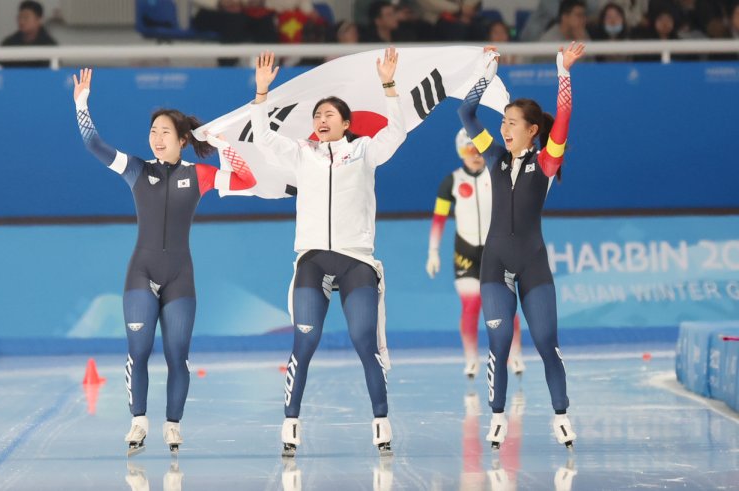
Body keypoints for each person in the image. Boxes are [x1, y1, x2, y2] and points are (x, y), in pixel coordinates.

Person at [71, 68, 257, 456]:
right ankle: (138, 420)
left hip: (180, 278)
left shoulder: (201, 175)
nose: (156, 139)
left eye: (165, 133)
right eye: (153, 132)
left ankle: (173, 425)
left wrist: (221, 145)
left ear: (182, 140)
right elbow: (94, 145)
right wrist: (81, 104)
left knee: (178, 356)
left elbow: (246, 179)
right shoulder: (136, 169)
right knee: (138, 351)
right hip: (141, 273)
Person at [251, 47, 406, 457]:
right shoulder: (302, 155)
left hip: (356, 261)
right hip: (313, 260)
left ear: (346, 124)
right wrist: (262, 94)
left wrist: (389, 86)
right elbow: (264, 139)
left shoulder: (365, 151)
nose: (321, 121)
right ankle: (290, 423)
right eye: (317, 116)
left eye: (329, 115)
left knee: (362, 340)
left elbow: (398, 132)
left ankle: (381, 421)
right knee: (305, 340)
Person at [457, 42, 585, 449]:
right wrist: (486, 74)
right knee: (497, 342)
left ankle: (561, 415)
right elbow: (466, 113)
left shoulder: (547, 162)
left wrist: (562, 71)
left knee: (547, 343)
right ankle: (497, 418)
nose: (504, 128)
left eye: (513, 123)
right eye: (504, 122)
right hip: (493, 264)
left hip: (533, 265)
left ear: (532, 130)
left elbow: (563, 116)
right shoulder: (492, 157)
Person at [426, 130, 524, 380]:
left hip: (497, 251)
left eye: (479, 150)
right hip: (466, 253)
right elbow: (439, 219)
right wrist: (433, 251)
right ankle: (471, 358)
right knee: (471, 306)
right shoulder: (451, 182)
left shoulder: (499, 175)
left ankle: (515, 355)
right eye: (468, 150)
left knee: (505, 307)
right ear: (460, 153)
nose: (475, 156)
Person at [0, 1, 57, 68]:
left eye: (26, 17)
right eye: (20, 17)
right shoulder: (8, 43)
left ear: (39, 20)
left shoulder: (49, 45)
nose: (21, 21)